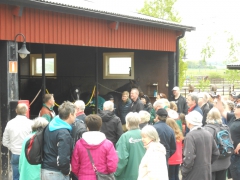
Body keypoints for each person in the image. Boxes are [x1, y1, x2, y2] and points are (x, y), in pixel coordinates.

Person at [71, 114, 118, 179]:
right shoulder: (108, 144)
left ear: (87, 127)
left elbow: (75, 166)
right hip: (102, 177)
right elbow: (112, 166)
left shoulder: (79, 144)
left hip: (84, 177)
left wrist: (81, 175)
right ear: (100, 126)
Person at [41, 101, 76, 180]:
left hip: (46, 169)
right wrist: (67, 171)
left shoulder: (50, 125)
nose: (76, 117)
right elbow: (63, 158)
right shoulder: (64, 133)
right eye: (75, 114)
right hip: (57, 173)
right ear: (70, 115)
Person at [181, 110, 219, 180]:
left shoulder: (190, 136)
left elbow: (189, 157)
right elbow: (216, 153)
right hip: (206, 172)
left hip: (193, 174)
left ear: (189, 122)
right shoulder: (208, 134)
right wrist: (206, 164)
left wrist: (183, 170)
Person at [2, 103, 33, 180]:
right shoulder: (31, 123)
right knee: (27, 177)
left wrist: (12, 148)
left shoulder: (10, 123)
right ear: (26, 111)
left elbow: (4, 141)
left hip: (15, 153)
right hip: (27, 154)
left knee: (16, 177)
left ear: (16, 111)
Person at [215, 95, 240, 180]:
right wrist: (219, 100)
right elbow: (221, 110)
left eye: (238, 106)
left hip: (238, 154)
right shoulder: (233, 117)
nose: (235, 107)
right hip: (231, 153)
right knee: (233, 174)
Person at [114, 112, 145, 180]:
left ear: (127, 123)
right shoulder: (145, 135)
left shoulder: (125, 137)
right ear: (139, 122)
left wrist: (115, 172)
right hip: (144, 174)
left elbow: (122, 158)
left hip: (128, 175)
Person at [203, 107, 231, 180]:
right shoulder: (226, 127)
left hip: (212, 161)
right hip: (225, 159)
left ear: (208, 116)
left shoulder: (206, 129)